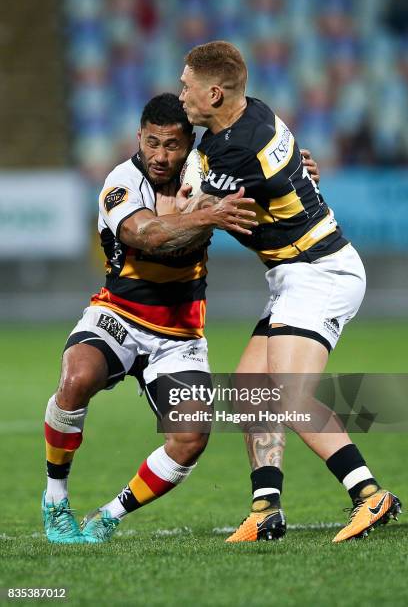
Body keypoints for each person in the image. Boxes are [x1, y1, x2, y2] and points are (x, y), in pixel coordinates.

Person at [179, 41, 401, 543]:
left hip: (320, 270)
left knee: (291, 394)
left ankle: (369, 495)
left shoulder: (238, 147)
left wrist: (182, 200)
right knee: (249, 390)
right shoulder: (246, 117)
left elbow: (188, 214)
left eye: (186, 86)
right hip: (294, 273)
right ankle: (266, 508)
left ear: (215, 93)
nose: (181, 95)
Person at [42, 93, 258, 544]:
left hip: (180, 333)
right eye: (152, 143)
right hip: (118, 315)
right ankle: (55, 499)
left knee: (192, 437)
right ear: (139, 137)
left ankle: (109, 516)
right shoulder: (121, 183)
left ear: (189, 143)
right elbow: (148, 235)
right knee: (77, 378)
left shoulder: (207, 173)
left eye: (172, 145)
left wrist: (299, 171)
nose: (161, 156)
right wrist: (209, 216)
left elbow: (266, 174)